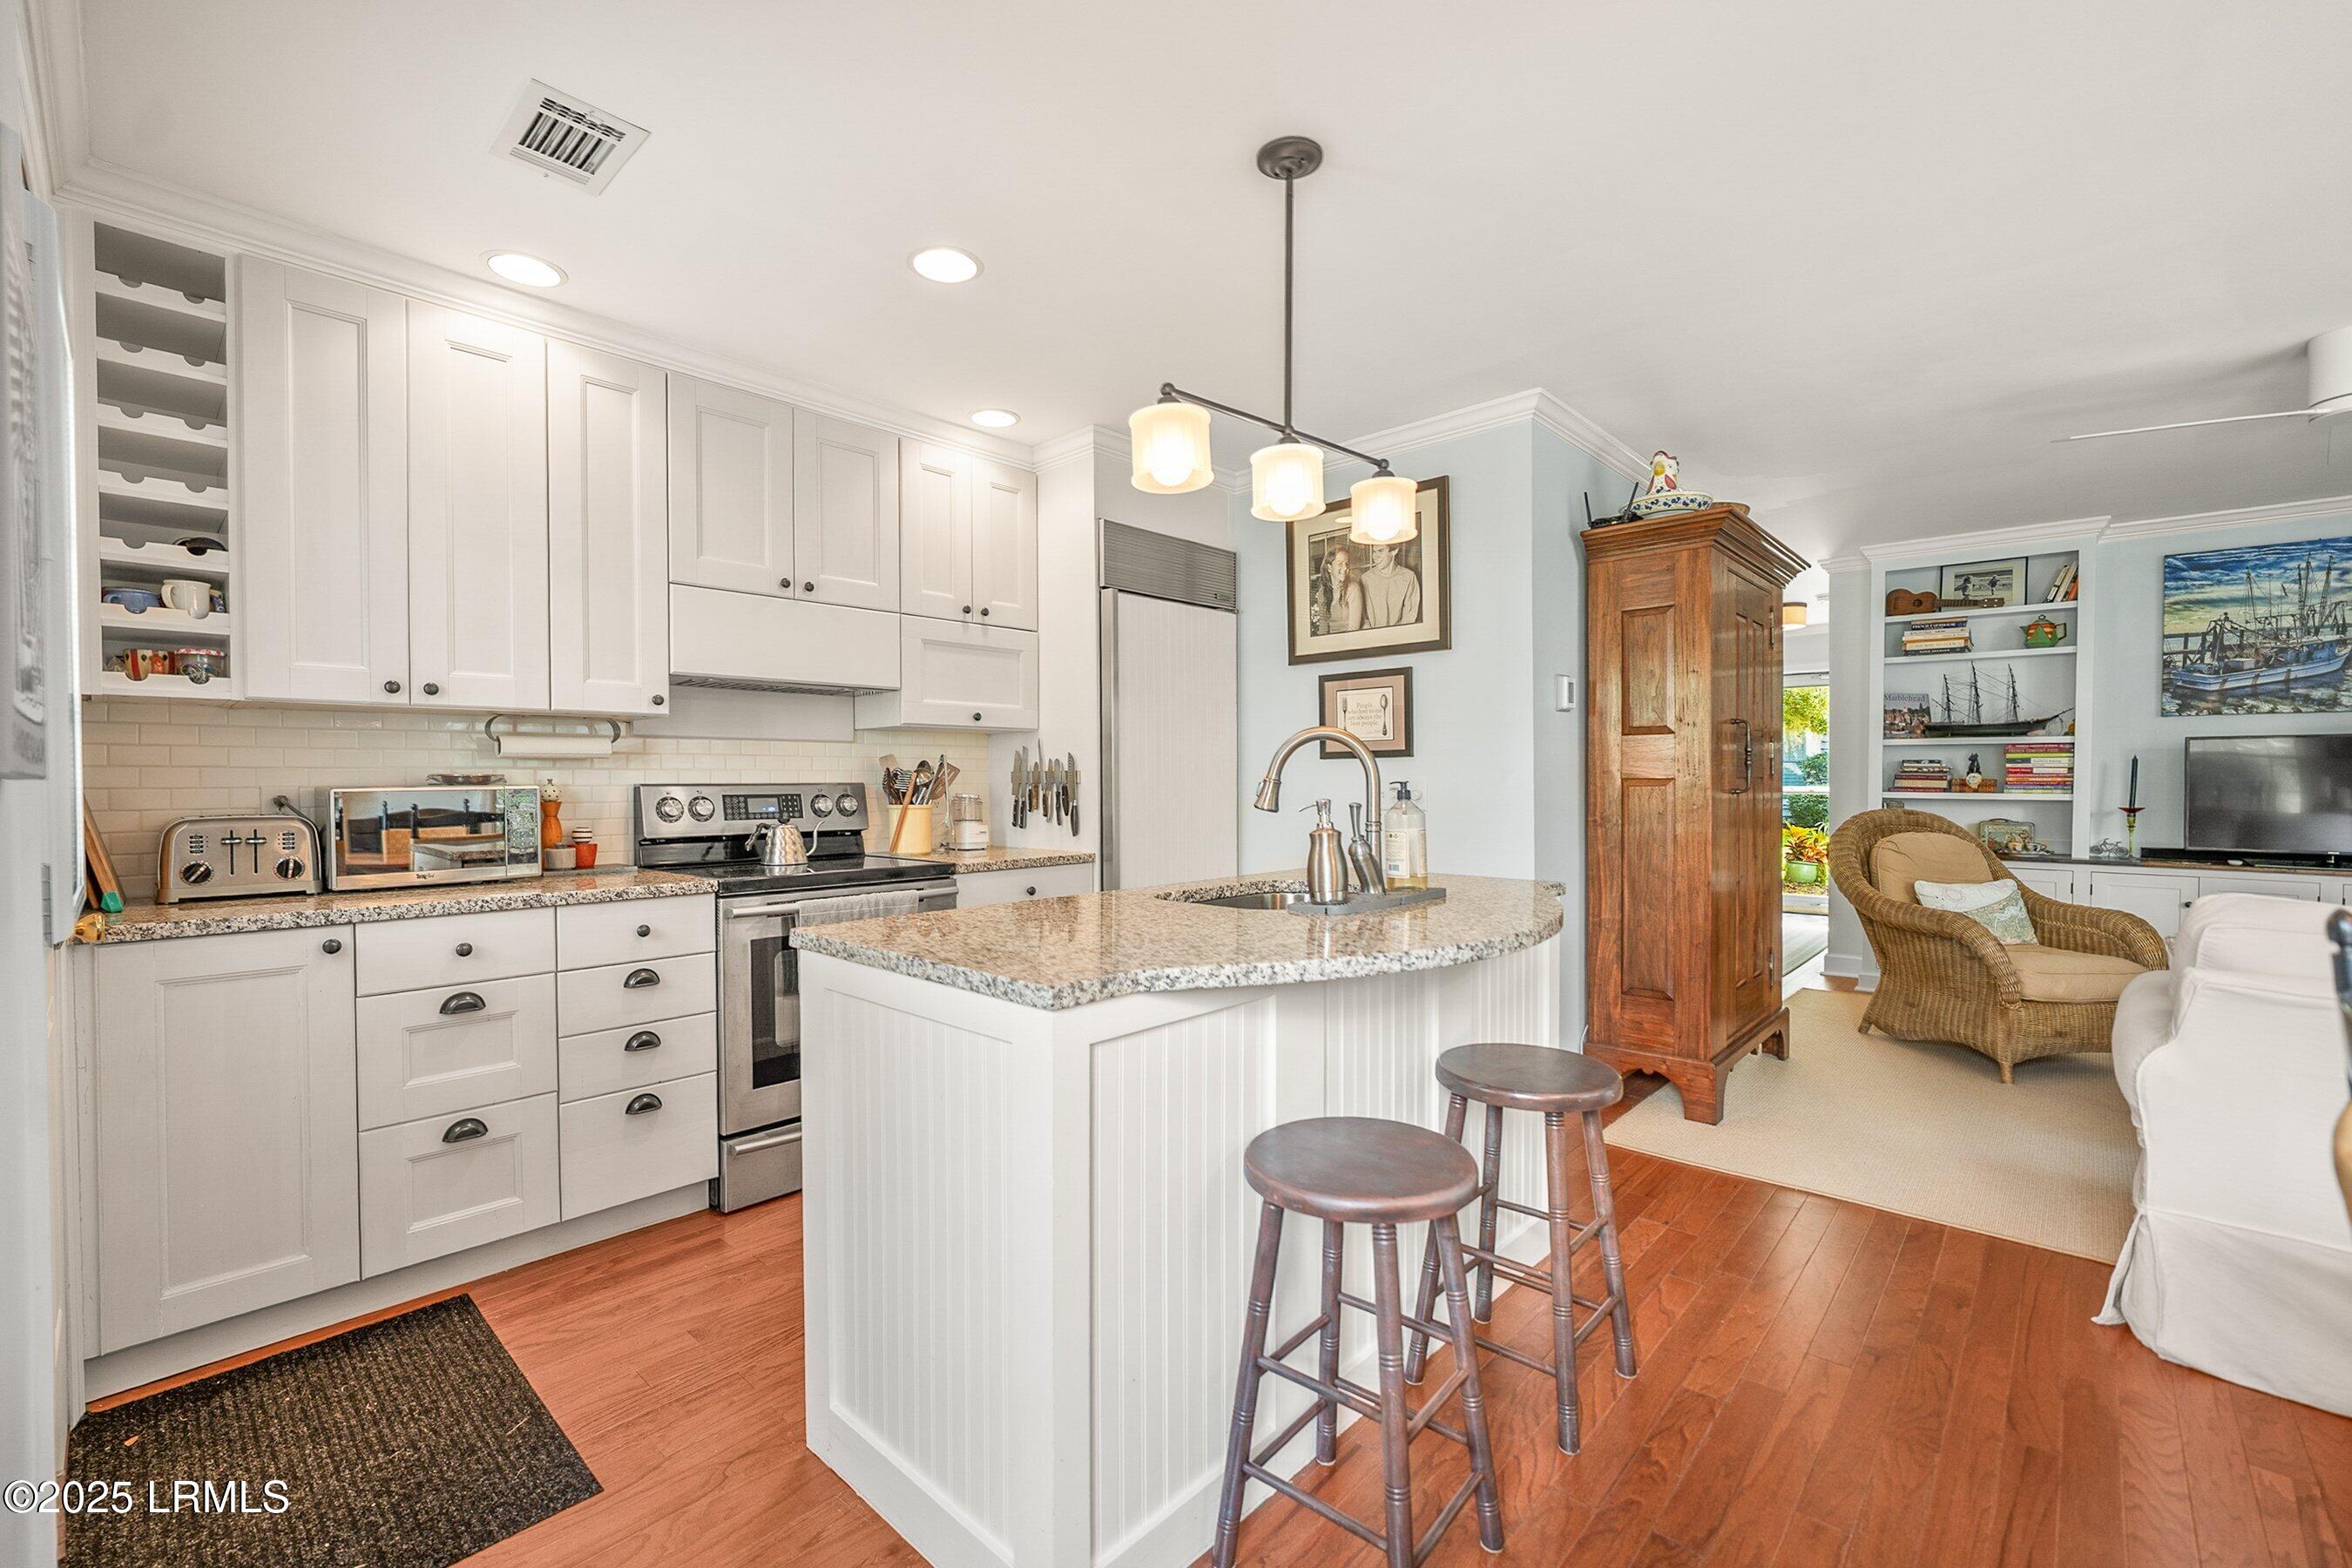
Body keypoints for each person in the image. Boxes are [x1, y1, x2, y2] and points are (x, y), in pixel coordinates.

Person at [1360, 541, 1422, 629]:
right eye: (1374, 551)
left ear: (1394, 551)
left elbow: (1409, 616)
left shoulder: (1409, 577)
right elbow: (1364, 618)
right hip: (1373, 634)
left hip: (1400, 633)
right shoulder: (1366, 578)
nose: (1375, 557)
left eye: (1380, 551)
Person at [1315, 541, 1365, 634]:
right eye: (1340, 563)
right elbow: (1323, 627)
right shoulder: (1322, 592)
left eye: (1347, 563)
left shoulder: (1353, 589)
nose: (1345, 567)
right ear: (1329, 568)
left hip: (1349, 640)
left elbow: (1353, 629)